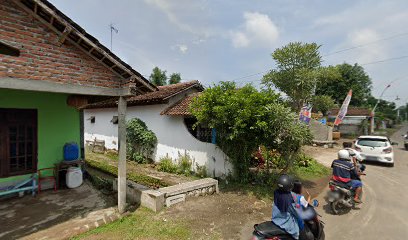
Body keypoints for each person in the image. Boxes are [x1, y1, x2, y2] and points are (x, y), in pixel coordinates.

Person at [272, 175, 313, 240]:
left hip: (275, 220)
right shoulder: (290, 198)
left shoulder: (276, 192)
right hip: (286, 225)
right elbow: (298, 214)